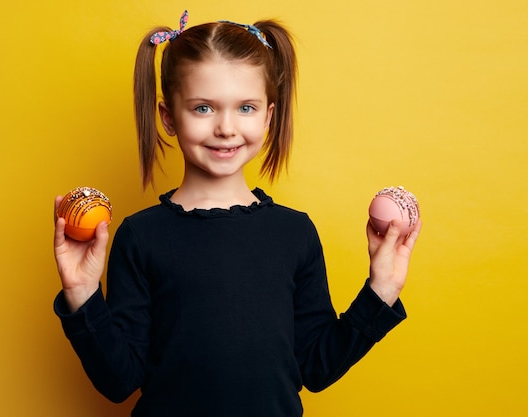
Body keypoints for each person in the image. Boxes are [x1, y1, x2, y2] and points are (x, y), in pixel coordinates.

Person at [53, 10, 421, 417]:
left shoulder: (294, 233)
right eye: (203, 109)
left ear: (269, 115)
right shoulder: (140, 237)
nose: (226, 128)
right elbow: (120, 381)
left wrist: (381, 290)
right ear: (168, 117)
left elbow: (316, 367)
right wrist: (82, 293)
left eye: (245, 108)